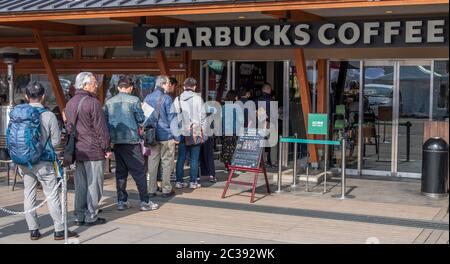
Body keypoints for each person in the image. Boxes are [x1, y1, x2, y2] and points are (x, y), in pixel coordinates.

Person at [16, 82, 79, 240]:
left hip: (24, 161)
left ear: (26, 97)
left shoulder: (19, 114)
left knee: (29, 195)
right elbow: (57, 142)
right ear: (43, 96)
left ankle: (34, 231)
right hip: (44, 162)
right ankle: (59, 230)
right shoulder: (49, 115)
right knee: (52, 195)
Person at [104, 75, 159, 211]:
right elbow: (141, 119)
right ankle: (145, 201)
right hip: (131, 140)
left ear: (118, 87)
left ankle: (121, 201)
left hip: (116, 141)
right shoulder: (134, 100)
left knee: (120, 173)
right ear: (130, 88)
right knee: (139, 172)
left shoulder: (109, 102)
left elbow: (105, 122)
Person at [65, 72, 112, 226]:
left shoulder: (70, 103)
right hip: (93, 150)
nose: (96, 85)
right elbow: (101, 129)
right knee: (94, 184)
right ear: (84, 85)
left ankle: (79, 215)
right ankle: (91, 215)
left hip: (78, 150)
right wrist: (107, 147)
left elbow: (69, 127)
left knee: (80, 185)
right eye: (93, 82)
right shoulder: (93, 103)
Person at [144, 75, 177, 198]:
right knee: (167, 163)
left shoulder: (147, 97)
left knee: (152, 162)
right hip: (166, 135)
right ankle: (166, 189)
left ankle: (151, 189)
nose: (169, 85)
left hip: (151, 135)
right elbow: (172, 118)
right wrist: (177, 136)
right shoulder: (167, 99)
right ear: (163, 84)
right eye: (168, 83)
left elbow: (145, 117)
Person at [174, 77, 206, 189]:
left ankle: (179, 181)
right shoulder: (198, 99)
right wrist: (204, 132)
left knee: (181, 157)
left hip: (182, 131)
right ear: (194, 87)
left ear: (184, 86)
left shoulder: (177, 99)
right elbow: (203, 117)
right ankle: (193, 182)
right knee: (194, 158)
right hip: (195, 130)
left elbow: (175, 118)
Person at [220, 90, 243, 172]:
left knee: (226, 149)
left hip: (225, 131)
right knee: (234, 149)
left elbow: (220, 120)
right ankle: (235, 168)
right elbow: (240, 120)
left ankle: (227, 167)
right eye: (236, 96)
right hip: (234, 131)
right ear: (234, 97)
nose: (237, 98)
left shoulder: (223, 107)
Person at [258, 83, 277, 168]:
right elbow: (274, 114)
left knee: (261, 143)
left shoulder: (257, 100)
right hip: (270, 123)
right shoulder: (271, 100)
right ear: (268, 89)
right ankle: (272, 161)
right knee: (273, 143)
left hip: (260, 123)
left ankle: (261, 161)